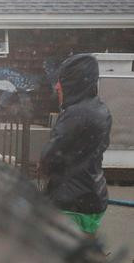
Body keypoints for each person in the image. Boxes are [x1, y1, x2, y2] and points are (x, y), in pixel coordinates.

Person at [39, 53, 112, 235]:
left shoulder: (75, 114)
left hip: (71, 204)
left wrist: (43, 165)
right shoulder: (101, 109)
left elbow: (50, 157)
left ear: (73, 84)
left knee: (60, 257)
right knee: (85, 251)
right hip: (93, 197)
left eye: (61, 81)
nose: (56, 86)